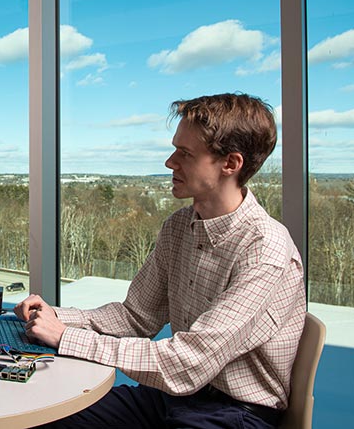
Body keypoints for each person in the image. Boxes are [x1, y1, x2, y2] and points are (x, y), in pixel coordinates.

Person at [16, 93, 306, 429]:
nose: (170, 162)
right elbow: (135, 317)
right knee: (46, 417)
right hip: (172, 399)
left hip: (236, 413)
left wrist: (66, 338)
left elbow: (187, 364)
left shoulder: (265, 251)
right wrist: (54, 317)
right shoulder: (179, 227)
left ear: (231, 164)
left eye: (185, 154)